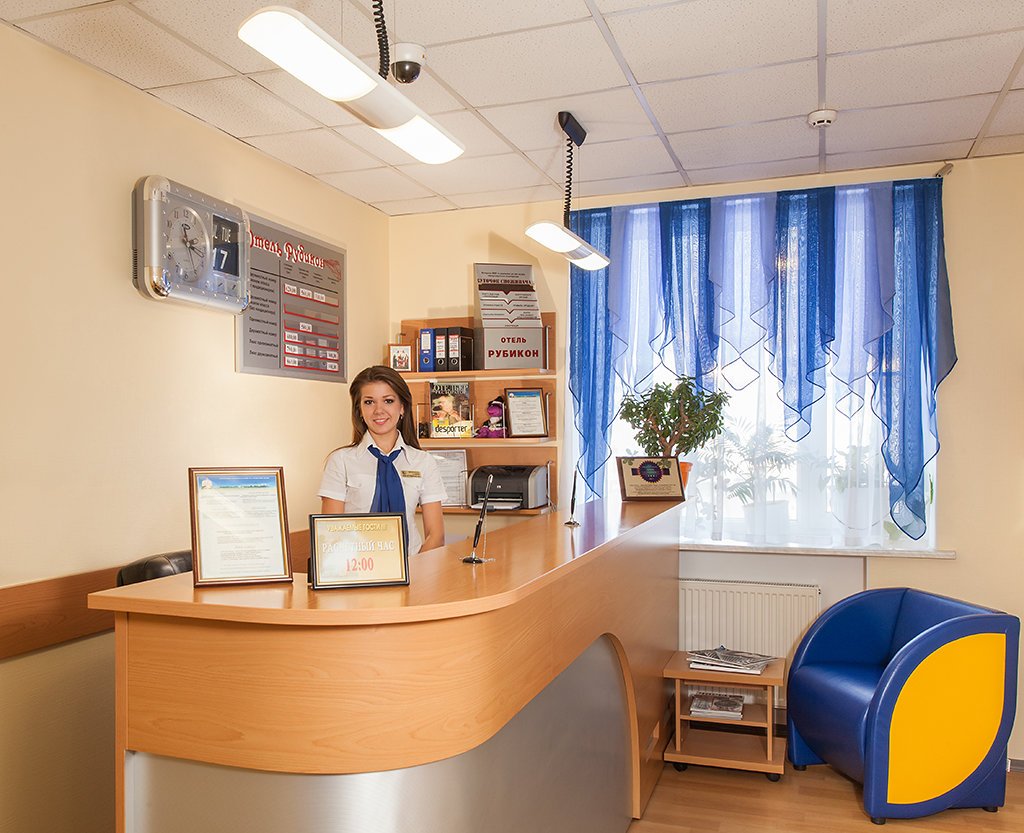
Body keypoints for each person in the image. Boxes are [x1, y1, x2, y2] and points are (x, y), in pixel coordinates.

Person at [319, 366, 446, 555]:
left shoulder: (423, 462)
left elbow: (436, 535)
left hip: (413, 565)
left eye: (388, 401)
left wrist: (414, 568)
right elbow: (331, 533)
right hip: (356, 565)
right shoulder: (340, 461)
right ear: (359, 410)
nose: (379, 410)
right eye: (369, 402)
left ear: (402, 407)